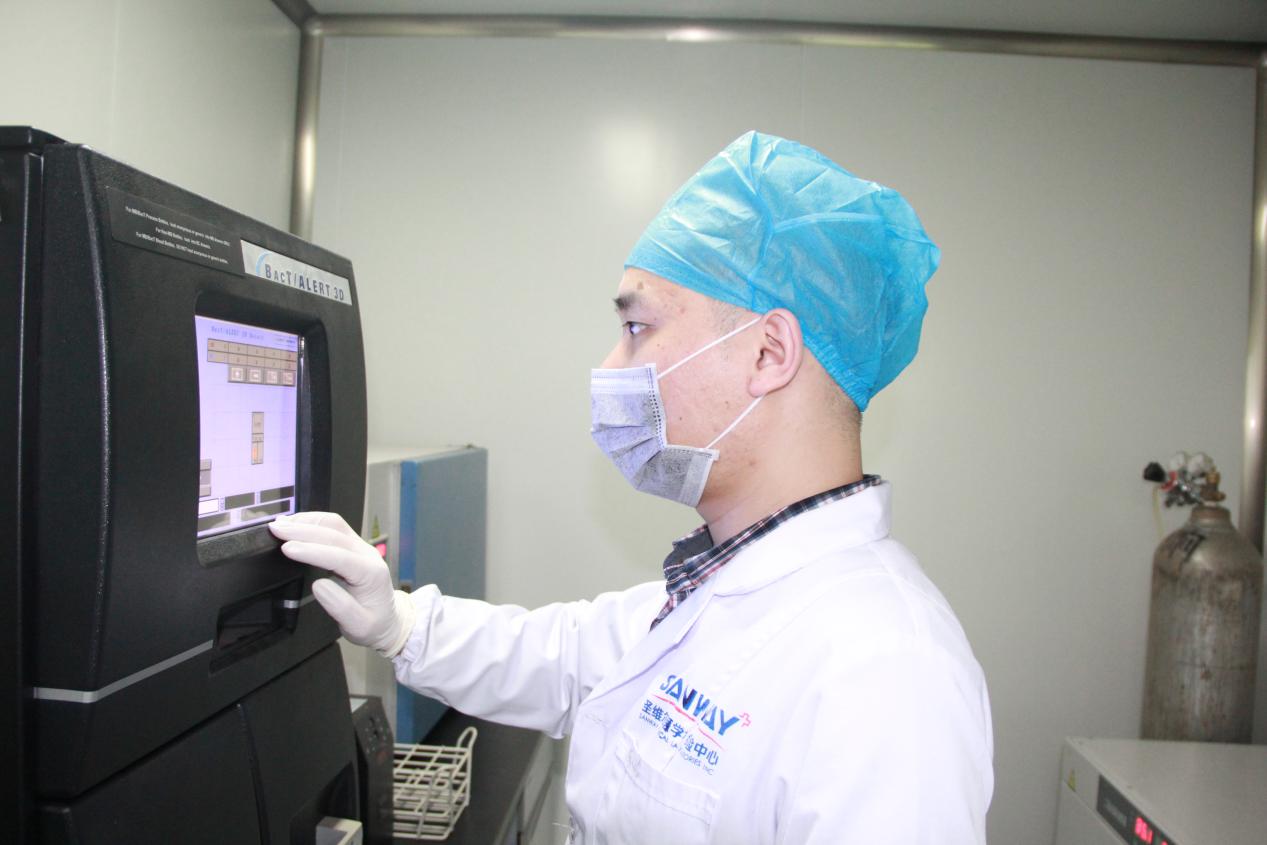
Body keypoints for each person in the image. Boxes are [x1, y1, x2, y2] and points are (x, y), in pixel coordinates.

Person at [270, 131, 994, 843]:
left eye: (637, 327)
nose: (612, 365)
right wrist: (397, 623)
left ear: (768, 353)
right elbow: (563, 657)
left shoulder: (888, 676)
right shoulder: (721, 584)